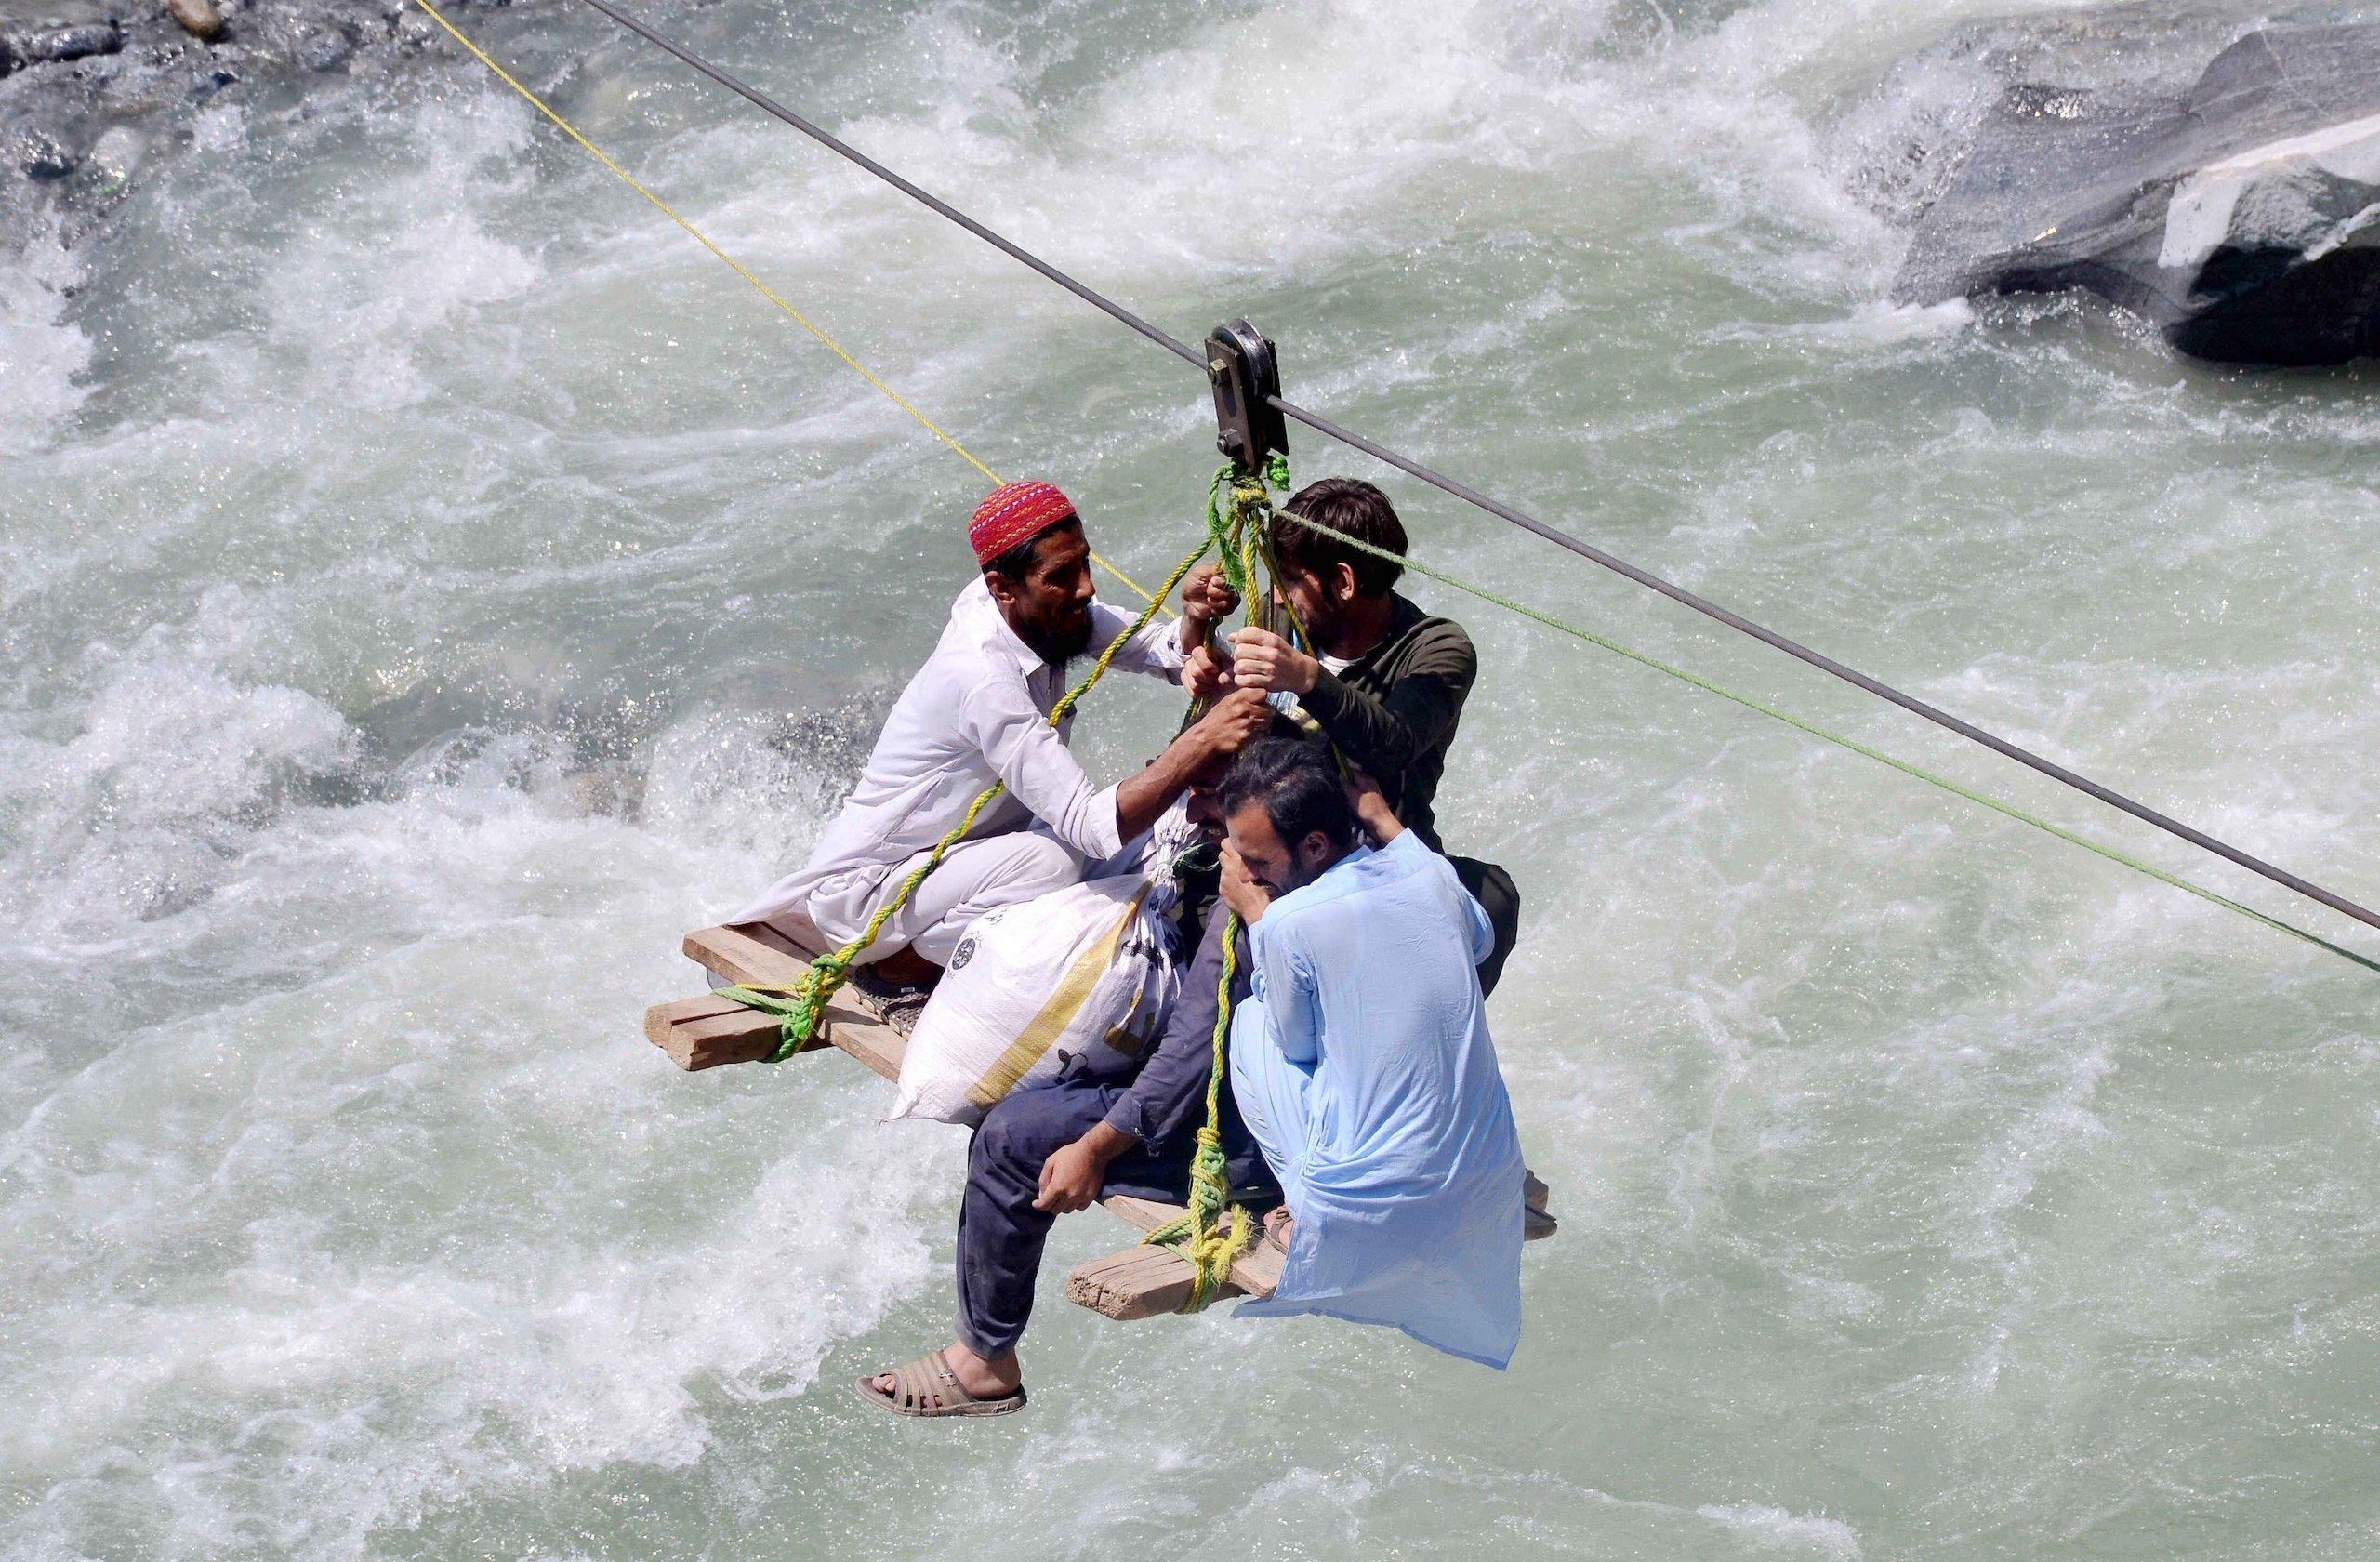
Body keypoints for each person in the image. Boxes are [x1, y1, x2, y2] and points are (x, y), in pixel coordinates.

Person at [731, 479, 1270, 1004]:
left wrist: (1195, 618)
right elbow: (1093, 823)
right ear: (1002, 587)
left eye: (1086, 562)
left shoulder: (1037, 607)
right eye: (1064, 574)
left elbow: (1159, 647)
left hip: (969, 857)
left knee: (1142, 835)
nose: (1086, 587)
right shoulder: (984, 678)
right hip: (872, 893)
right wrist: (1200, 743)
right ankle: (896, 969)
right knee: (1052, 865)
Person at [853, 785, 1276, 1417]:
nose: (1197, 810)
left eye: (1220, 801)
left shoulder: (1258, 894)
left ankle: (984, 1364)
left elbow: (1195, 1047)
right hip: (1253, 1090)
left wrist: (1099, 1145)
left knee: (1013, 1140)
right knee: (1053, 1091)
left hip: (1265, 1134)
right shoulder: (1310, 860)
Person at [1219, 737, 1527, 1370]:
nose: (1248, 874)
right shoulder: (1429, 872)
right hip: (1487, 1191)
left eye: (1257, 859)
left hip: (1364, 1222)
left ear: (1313, 847)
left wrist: (1258, 917)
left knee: (1252, 1021)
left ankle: (1304, 1211)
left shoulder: (1288, 920)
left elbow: (1294, 1044)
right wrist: (1386, 819)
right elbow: (1476, 940)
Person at [1183, 478, 1523, 993]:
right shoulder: (1281, 615)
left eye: (1291, 580)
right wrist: (1200, 651)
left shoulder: (1438, 649)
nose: (1277, 595)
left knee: (1495, 899)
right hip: (1270, 847)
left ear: (1342, 582)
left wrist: (1308, 678)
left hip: (1370, 855)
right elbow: (1212, 729)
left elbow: (1393, 743)